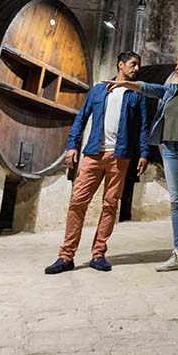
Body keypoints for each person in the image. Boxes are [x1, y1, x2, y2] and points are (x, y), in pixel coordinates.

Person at [107, 51, 178, 273]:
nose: (177, 67)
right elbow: (149, 88)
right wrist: (127, 84)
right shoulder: (172, 90)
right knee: (176, 201)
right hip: (168, 148)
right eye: (176, 64)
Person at [44, 51, 149, 274]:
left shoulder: (137, 94)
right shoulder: (99, 90)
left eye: (138, 65)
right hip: (92, 154)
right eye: (133, 64)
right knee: (77, 203)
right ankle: (66, 256)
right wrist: (72, 145)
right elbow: (81, 117)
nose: (136, 69)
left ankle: (98, 254)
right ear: (120, 65)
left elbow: (143, 127)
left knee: (110, 204)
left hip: (119, 156)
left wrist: (144, 153)